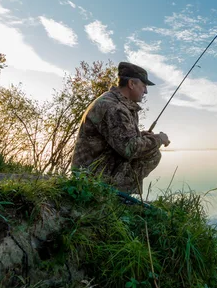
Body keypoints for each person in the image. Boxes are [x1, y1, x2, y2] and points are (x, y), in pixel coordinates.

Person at [71, 62, 170, 196]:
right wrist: (159, 139)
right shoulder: (115, 108)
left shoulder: (116, 102)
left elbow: (116, 137)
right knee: (152, 153)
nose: (146, 91)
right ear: (131, 84)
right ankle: (112, 196)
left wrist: (140, 135)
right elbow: (130, 148)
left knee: (148, 148)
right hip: (90, 177)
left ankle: (115, 195)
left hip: (91, 170)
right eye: (144, 86)